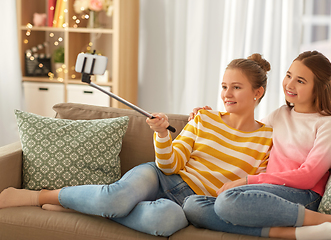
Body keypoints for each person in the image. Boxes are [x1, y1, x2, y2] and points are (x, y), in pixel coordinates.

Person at [0, 54, 273, 237]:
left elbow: (255, 186)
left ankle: (81, 204)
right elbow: (170, 164)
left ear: (257, 92)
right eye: (224, 86)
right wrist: (163, 135)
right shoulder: (204, 118)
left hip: (190, 204)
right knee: (115, 198)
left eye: (236, 87)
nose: (227, 94)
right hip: (162, 177)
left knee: (164, 222)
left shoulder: (267, 139)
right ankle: (42, 196)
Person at [183, 50, 331, 240]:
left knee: (227, 201)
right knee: (193, 206)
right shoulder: (280, 114)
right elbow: (246, 130)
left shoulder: (329, 124)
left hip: (303, 196)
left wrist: (248, 180)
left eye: (300, 81)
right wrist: (209, 117)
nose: (289, 85)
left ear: (319, 88)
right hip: (266, 192)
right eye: (289, 75)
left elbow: (308, 177)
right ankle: (298, 233)